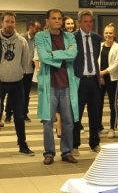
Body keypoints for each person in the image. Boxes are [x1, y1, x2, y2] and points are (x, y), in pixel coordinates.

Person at [35, 9, 79, 165]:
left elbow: (73, 55)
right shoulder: (40, 36)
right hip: (50, 85)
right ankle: (49, 153)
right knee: (48, 122)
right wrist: (64, 54)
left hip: (67, 85)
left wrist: (52, 54)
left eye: (59, 18)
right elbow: (43, 57)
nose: (57, 21)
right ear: (47, 21)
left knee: (68, 122)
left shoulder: (69, 36)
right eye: (53, 18)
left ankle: (67, 152)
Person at [0, 11, 34, 155]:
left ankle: (23, 145)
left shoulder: (21, 41)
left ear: (15, 23)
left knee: (19, 116)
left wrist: (17, 72)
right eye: (7, 21)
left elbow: (25, 62)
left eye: (12, 22)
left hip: (16, 83)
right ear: (2, 23)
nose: (10, 24)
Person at [72, 10, 102, 154]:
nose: (89, 24)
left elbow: (95, 57)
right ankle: (74, 144)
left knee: (95, 114)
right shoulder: (72, 38)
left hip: (94, 80)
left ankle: (94, 143)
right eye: (86, 21)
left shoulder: (97, 38)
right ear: (79, 22)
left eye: (91, 21)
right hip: (79, 80)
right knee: (76, 114)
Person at [98, 23, 118, 139]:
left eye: (110, 33)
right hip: (99, 77)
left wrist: (104, 72)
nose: (108, 35)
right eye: (106, 33)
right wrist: (100, 75)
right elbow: (96, 61)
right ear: (103, 34)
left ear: (114, 34)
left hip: (112, 78)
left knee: (113, 104)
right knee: (98, 104)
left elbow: (117, 64)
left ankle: (112, 128)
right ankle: (98, 127)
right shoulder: (99, 46)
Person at [20, 19, 41, 122]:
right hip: (19, 70)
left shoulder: (38, 40)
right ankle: (9, 113)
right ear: (30, 27)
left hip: (29, 71)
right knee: (14, 93)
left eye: (39, 29)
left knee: (26, 94)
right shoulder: (21, 38)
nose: (38, 30)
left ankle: (24, 113)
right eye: (37, 28)